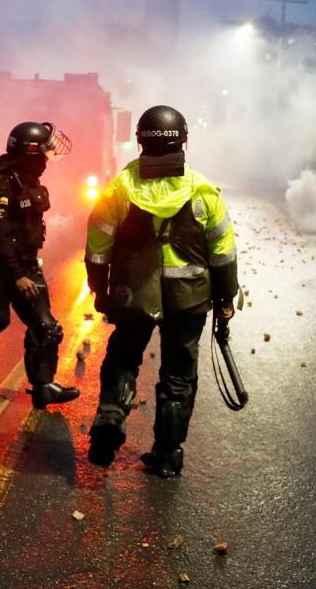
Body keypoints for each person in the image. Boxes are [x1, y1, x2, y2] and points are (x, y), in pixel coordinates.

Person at [83, 105, 238, 477]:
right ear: (184, 141)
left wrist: (101, 292)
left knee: (123, 357)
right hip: (190, 299)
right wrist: (225, 301)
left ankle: (110, 415)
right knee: (179, 373)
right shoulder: (203, 190)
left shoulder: (120, 188)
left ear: (140, 141)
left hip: (134, 296)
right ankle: (167, 455)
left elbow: (97, 247)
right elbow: (223, 253)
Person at [0, 122, 81, 410]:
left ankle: (44, 387)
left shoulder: (29, 183)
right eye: (44, 153)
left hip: (26, 266)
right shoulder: (1, 187)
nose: (48, 159)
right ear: (31, 153)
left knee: (45, 327)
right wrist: (17, 276)